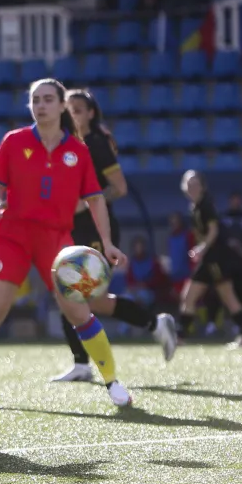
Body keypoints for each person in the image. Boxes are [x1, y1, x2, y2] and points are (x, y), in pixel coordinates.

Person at [0, 78, 133, 409]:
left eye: (48, 99)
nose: (41, 105)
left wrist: (107, 242)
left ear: (62, 106)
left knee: (79, 312)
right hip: (12, 235)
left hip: (57, 240)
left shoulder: (79, 151)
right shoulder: (14, 141)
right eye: (35, 100)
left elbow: (95, 199)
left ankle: (113, 383)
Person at [52, 89, 176, 382]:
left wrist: (89, 202)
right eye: (69, 110)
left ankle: (153, 323)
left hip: (97, 228)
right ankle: (83, 363)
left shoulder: (96, 142)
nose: (73, 115)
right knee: (67, 293)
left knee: (78, 296)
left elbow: (119, 187)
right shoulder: (65, 144)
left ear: (91, 113)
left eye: (79, 110)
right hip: (71, 228)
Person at [176, 171, 242, 347]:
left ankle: (179, 336)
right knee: (222, 296)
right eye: (189, 185)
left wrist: (202, 248)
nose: (192, 188)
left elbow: (213, 230)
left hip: (215, 258)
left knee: (196, 295)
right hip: (210, 258)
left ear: (202, 187)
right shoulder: (195, 207)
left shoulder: (206, 205)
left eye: (196, 184)